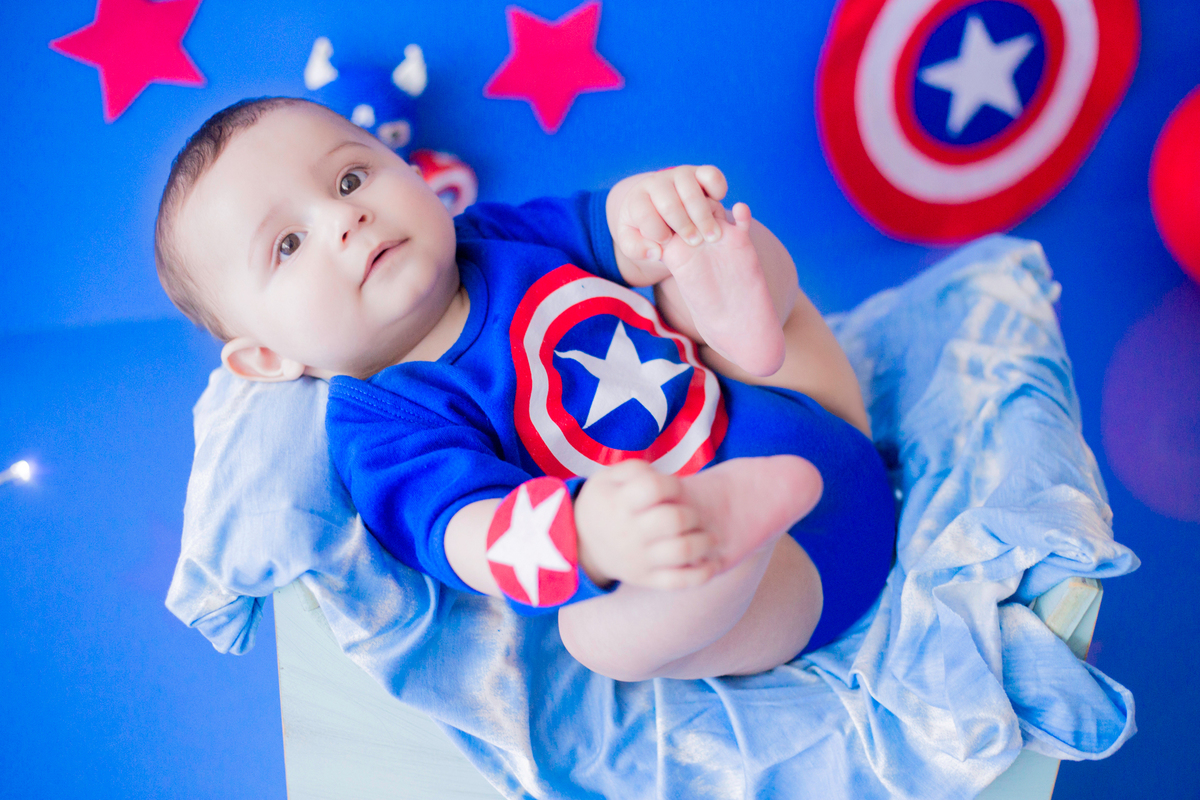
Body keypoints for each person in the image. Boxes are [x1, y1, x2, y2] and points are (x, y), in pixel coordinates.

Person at [155, 97, 895, 681]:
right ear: (267, 358)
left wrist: (656, 215)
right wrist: (589, 540)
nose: (345, 218)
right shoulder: (384, 424)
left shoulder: (493, 235)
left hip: (807, 413)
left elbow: (614, 230)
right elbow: (470, 537)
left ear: (409, 171)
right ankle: (720, 541)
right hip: (784, 584)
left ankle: (728, 295)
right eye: (288, 245)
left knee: (690, 262)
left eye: (351, 179)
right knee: (595, 635)